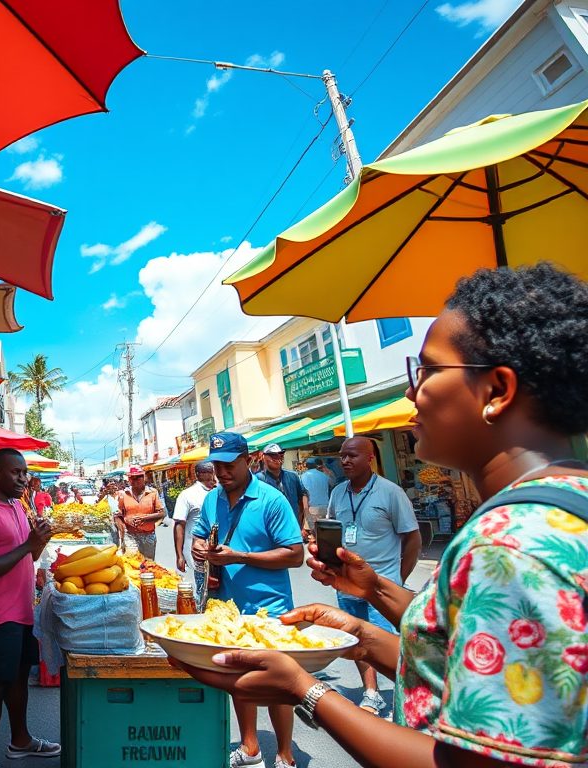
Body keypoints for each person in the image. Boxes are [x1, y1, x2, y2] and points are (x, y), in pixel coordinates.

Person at [175, 264, 588, 768]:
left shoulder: (506, 545)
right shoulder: (561, 502)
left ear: (497, 391)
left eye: (429, 371)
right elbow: (462, 668)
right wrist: (367, 617)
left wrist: (304, 689)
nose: (412, 393)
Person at [190, 432, 304, 768]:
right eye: (216, 466)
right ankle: (250, 746)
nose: (221, 473)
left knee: (278, 685)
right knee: (239, 680)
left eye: (228, 466)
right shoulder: (213, 499)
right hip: (225, 608)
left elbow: (294, 555)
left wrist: (241, 556)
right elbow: (199, 535)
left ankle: (285, 755)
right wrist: (198, 549)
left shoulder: (271, 500)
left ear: (248, 459)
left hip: (269, 608)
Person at [0, 449, 60, 767]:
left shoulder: (16, 506)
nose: (23, 478)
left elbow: (27, 557)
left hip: (21, 609)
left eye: (24, 472)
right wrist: (27, 545)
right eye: (15, 472)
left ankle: (21, 740)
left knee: (19, 677)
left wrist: (39, 543)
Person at [326, 436, 421, 717]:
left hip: (383, 584)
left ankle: (405, 703)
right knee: (357, 641)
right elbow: (334, 530)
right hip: (348, 584)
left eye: (352, 455)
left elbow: (412, 539)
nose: (345, 460)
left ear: (370, 458)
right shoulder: (338, 493)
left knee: (387, 644)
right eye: (342, 455)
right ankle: (372, 692)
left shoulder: (390, 493)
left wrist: (397, 581)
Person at [172, 461, 217, 578]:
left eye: (211, 470)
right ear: (198, 474)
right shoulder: (187, 495)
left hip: (219, 547)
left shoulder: (221, 491)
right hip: (197, 549)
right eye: (206, 471)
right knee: (202, 584)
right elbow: (179, 525)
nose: (210, 474)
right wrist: (179, 555)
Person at [115, 466, 165, 559]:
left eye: (138, 477)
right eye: (132, 478)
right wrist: (122, 528)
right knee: (133, 562)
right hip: (130, 535)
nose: (135, 480)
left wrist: (145, 519)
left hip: (148, 535)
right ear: (128, 479)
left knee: (148, 564)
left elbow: (162, 513)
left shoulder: (152, 493)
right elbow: (118, 514)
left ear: (144, 477)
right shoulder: (123, 494)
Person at [256, 444, 309, 531]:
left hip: (292, 528)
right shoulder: (258, 480)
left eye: (280, 454)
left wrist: (300, 526)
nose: (277, 458)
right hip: (270, 529)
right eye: (272, 455)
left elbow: (301, 499)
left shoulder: (293, 477)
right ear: (263, 457)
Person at [300, 457, 332, 532]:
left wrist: (306, 511)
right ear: (315, 465)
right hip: (326, 507)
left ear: (306, 466)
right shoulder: (324, 475)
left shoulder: (303, 476)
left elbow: (304, 494)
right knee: (325, 532)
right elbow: (332, 483)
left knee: (313, 533)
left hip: (312, 509)